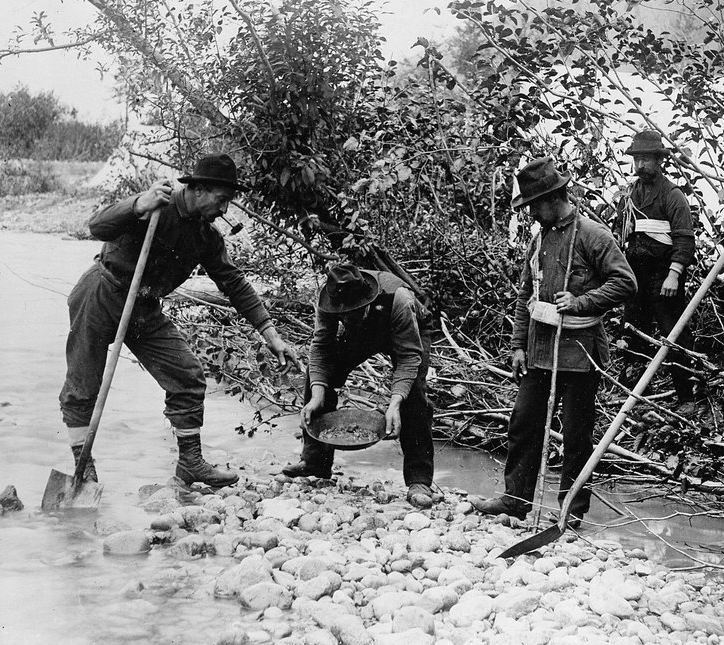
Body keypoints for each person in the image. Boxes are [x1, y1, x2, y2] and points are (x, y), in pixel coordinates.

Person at [59, 153, 300, 488]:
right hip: (102, 291)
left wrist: (270, 334)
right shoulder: (156, 207)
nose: (225, 210)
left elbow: (234, 284)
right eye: (221, 200)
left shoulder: (206, 237)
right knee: (83, 385)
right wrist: (138, 204)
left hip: (144, 306)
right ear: (198, 189)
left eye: (228, 202)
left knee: (187, 375)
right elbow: (97, 226)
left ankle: (190, 463)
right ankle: (83, 470)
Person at [471, 157, 636, 524]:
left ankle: (570, 512)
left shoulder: (593, 235)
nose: (531, 213)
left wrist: (581, 302)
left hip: (579, 354)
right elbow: (524, 296)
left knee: (576, 435)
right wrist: (517, 346)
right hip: (539, 351)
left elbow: (626, 282)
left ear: (552, 198)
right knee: (523, 422)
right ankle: (516, 500)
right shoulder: (539, 240)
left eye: (533, 205)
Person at [282, 263, 437, 509]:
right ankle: (315, 461)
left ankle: (419, 480)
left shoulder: (399, 299)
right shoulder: (329, 298)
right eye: (342, 313)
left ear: (366, 301)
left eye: (352, 311)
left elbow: (409, 358)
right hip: (363, 332)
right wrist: (317, 397)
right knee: (318, 374)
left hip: (407, 327)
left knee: (414, 394)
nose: (345, 316)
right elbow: (321, 347)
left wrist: (395, 403)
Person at [615, 129, 699, 405]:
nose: (640, 166)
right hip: (635, 276)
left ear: (659, 160)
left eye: (646, 159)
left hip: (664, 276)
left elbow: (684, 239)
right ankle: (636, 399)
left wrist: (674, 275)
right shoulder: (630, 196)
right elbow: (622, 235)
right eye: (637, 159)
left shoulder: (673, 196)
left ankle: (688, 396)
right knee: (631, 333)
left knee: (674, 334)